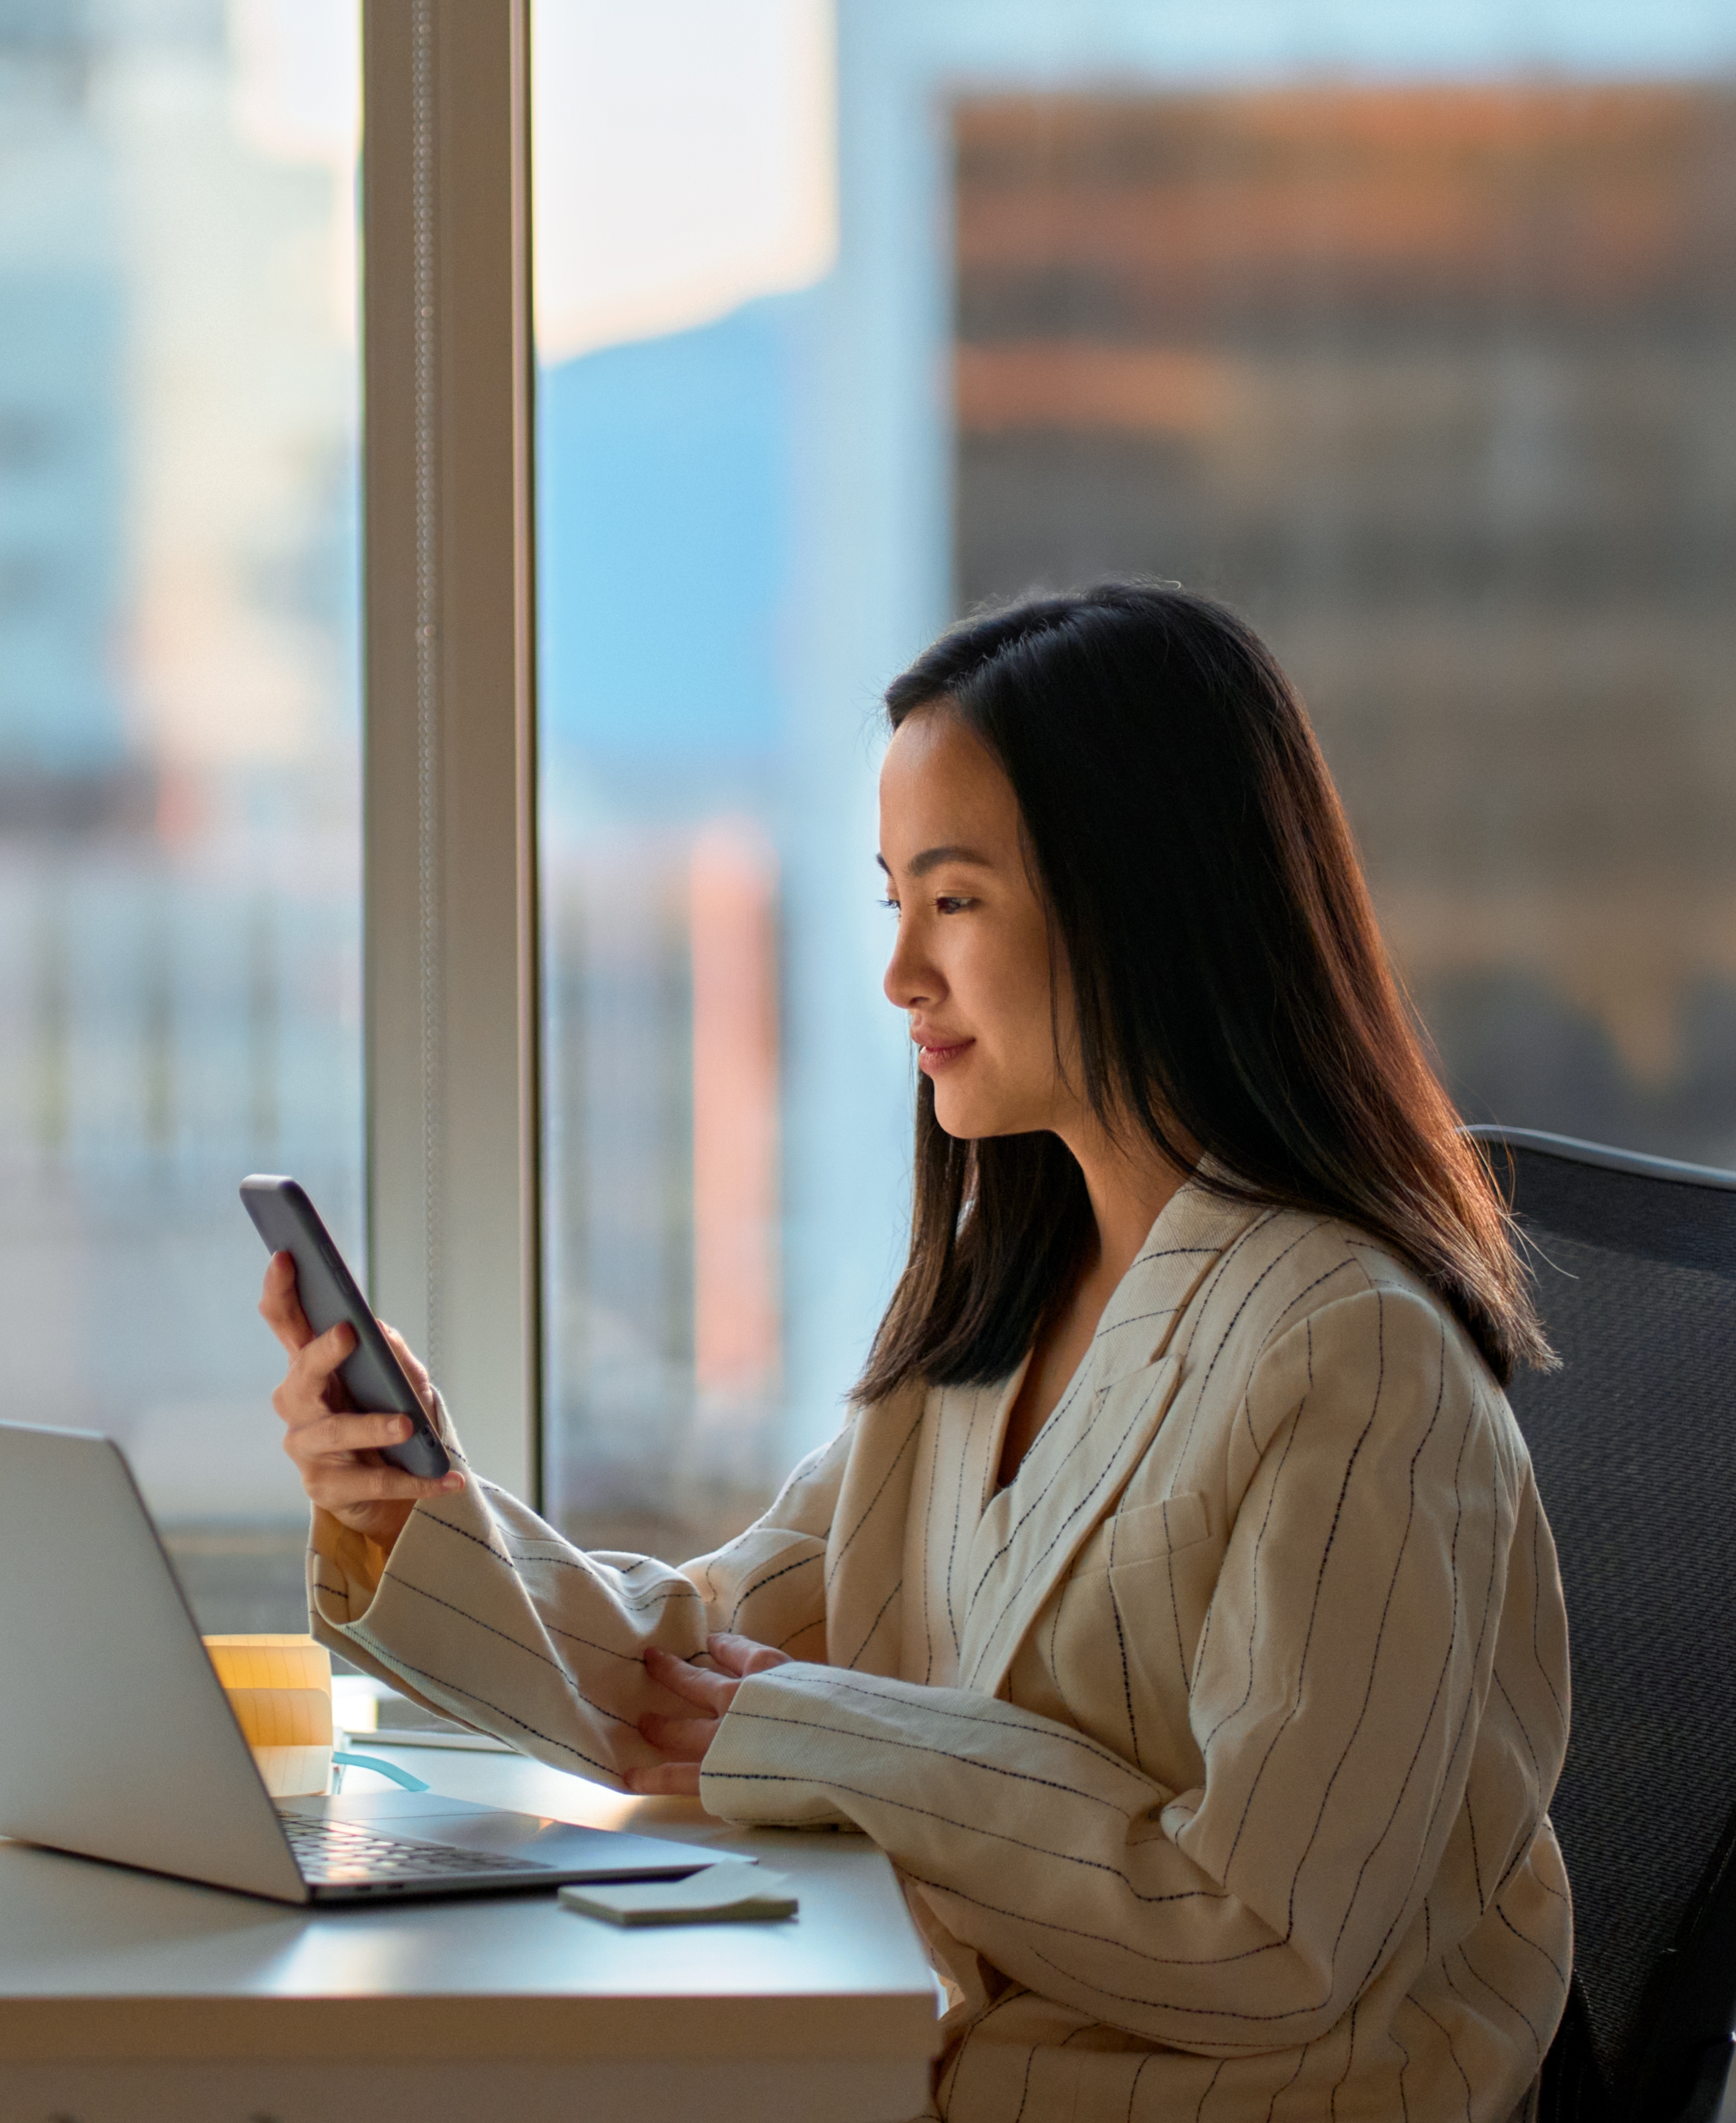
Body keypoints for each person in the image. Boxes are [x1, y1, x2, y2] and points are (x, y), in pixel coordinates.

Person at [263, 583, 1572, 2123]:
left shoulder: (1351, 1359)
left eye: (952, 901)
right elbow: (693, 1672)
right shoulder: (997, 1310)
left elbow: (1264, 1940)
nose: (899, 975)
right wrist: (413, 1512)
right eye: (892, 899)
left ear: (1144, 901)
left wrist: (820, 1732)